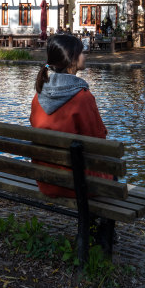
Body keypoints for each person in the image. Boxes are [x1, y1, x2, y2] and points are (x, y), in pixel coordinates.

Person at [30, 34, 107, 199]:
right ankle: (95, 225)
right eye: (81, 52)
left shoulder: (39, 95)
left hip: (45, 180)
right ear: (72, 60)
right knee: (111, 176)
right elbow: (98, 140)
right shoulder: (83, 97)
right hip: (75, 184)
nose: (85, 55)